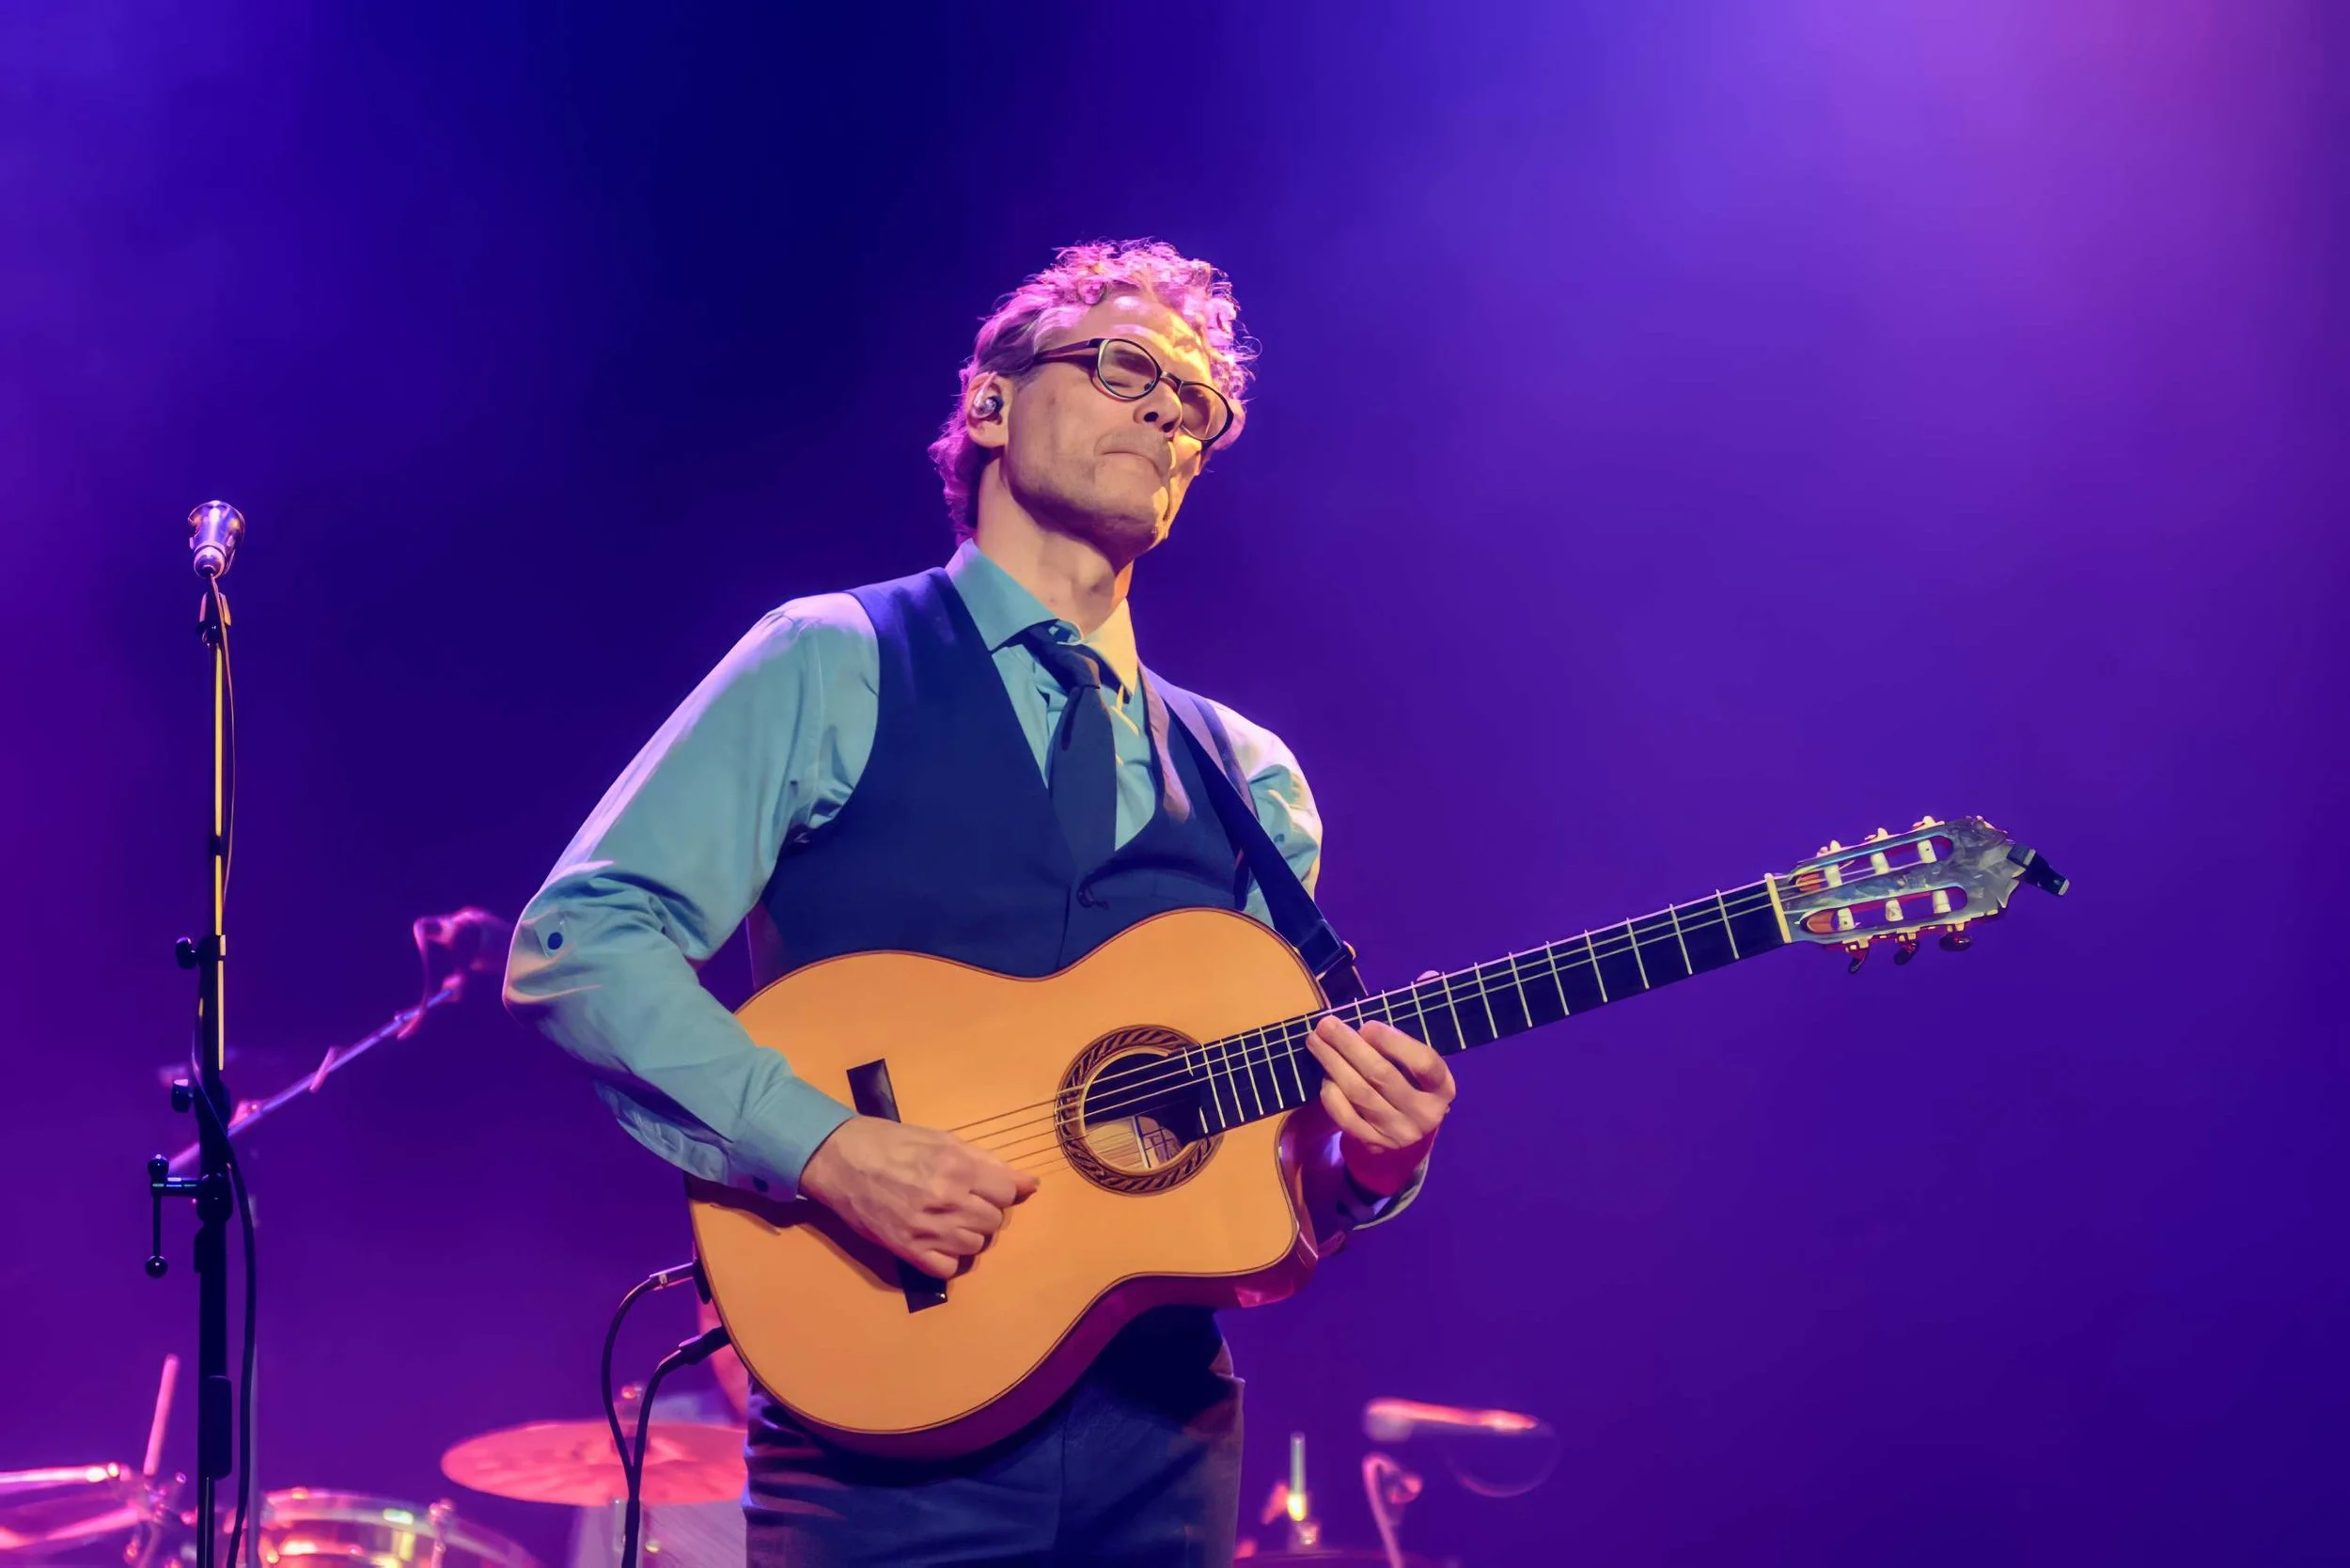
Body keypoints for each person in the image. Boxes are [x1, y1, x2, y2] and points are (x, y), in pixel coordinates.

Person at [506, 239, 1458, 1567]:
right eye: (1128, 367)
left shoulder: (1253, 777)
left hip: (1165, 1441)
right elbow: (580, 944)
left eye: (1200, 407)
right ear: (993, 407)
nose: (1169, 415)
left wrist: (1370, 1167)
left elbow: (1263, 1179)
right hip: (880, 1423)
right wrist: (827, 1145)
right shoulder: (833, 660)